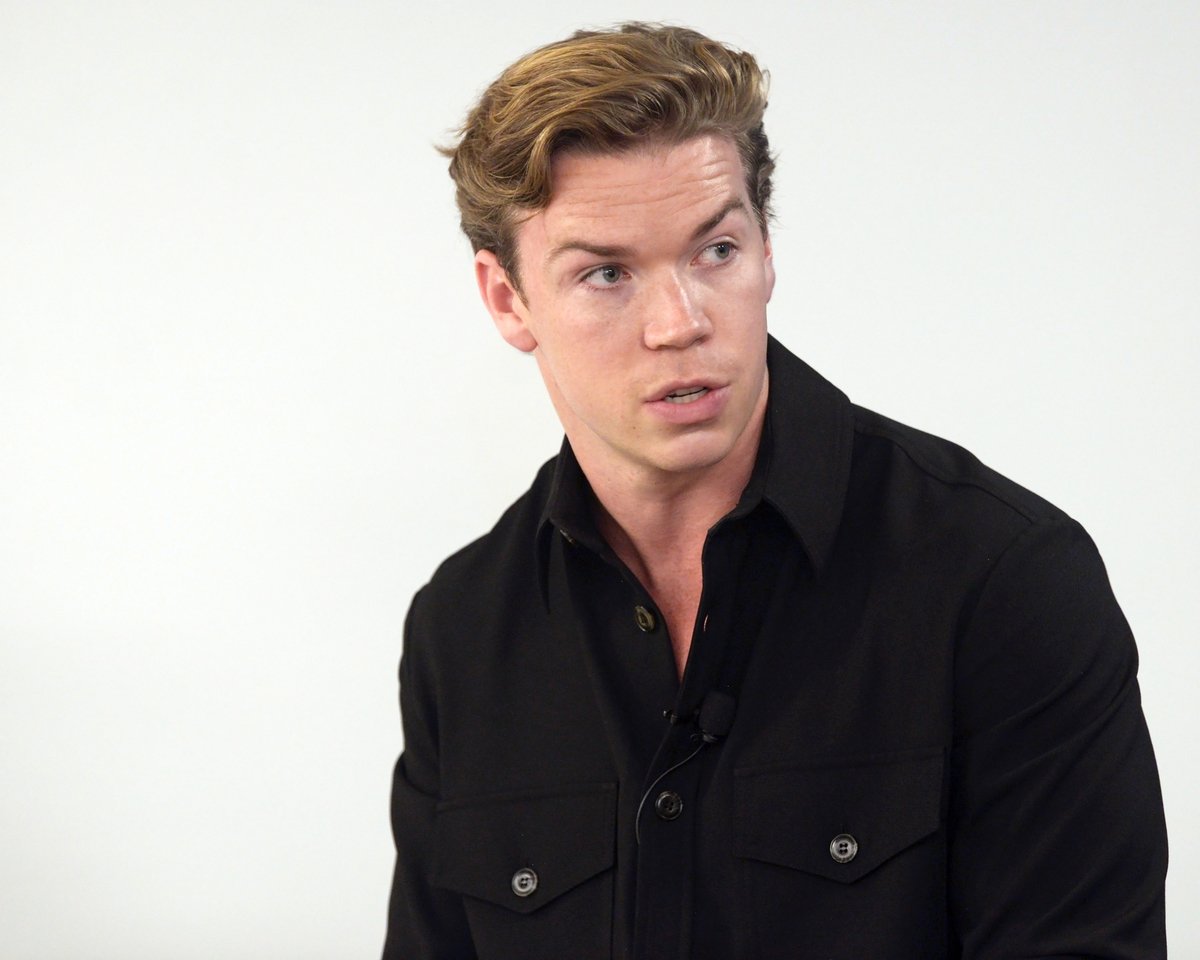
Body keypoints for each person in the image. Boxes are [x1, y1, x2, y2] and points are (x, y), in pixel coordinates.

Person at [382, 23, 1167, 960]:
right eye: (606, 274)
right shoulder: (462, 628)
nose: (680, 323)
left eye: (715, 250)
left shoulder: (1003, 580)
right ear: (508, 300)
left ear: (765, 249)